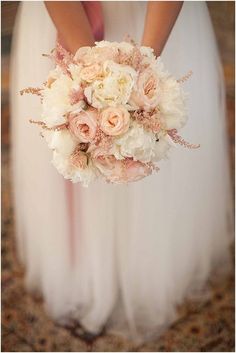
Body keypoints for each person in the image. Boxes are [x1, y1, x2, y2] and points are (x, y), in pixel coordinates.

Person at [10, 1, 232, 342]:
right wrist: (88, 76)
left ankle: (150, 271)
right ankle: (82, 275)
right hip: (63, 13)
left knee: (151, 145)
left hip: (153, 16)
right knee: (74, 149)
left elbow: (147, 69)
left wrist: (144, 70)